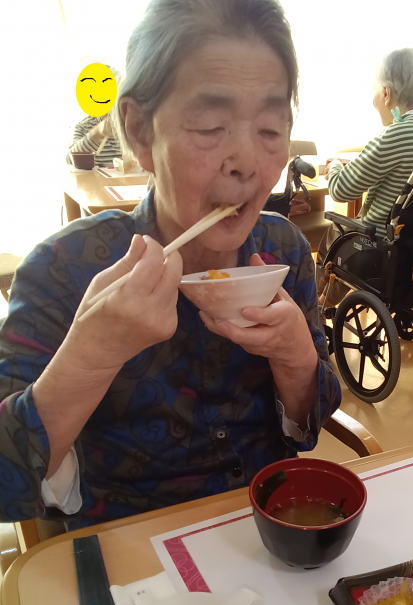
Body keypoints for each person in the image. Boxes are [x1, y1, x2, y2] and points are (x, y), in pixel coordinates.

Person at [0, 0, 341, 531]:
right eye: (211, 125)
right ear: (140, 131)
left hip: (271, 536)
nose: (247, 162)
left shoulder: (284, 249)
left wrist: (296, 357)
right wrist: (93, 354)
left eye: (272, 129)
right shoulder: (63, 269)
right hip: (131, 552)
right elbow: (6, 484)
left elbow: (310, 426)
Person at [317, 48, 413, 306]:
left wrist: (336, 165)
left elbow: (340, 190)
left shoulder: (396, 135)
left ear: (386, 93)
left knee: (334, 232)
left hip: (380, 245)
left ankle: (320, 302)